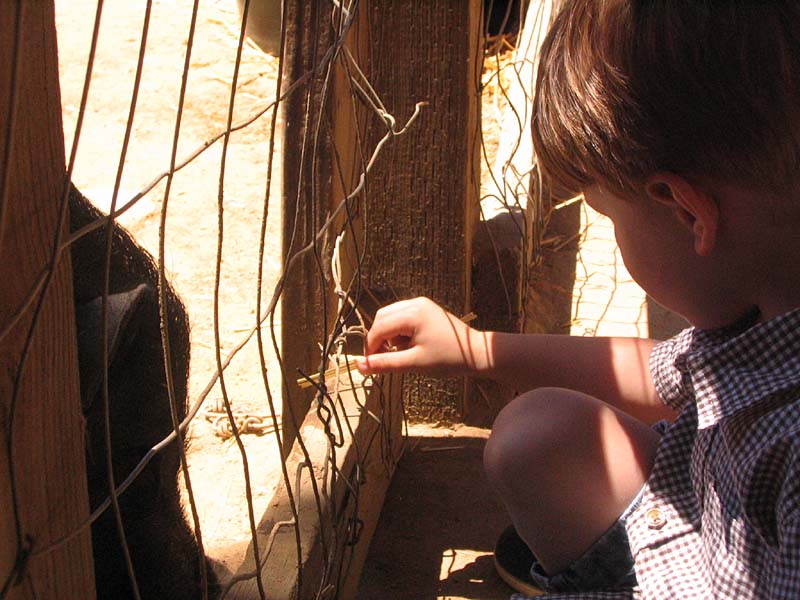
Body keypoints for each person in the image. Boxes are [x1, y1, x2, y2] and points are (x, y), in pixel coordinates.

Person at [355, 1, 800, 598]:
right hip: (705, 522)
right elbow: (660, 370)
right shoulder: (768, 312)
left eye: (609, 214)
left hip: (718, 574)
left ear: (686, 210)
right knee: (538, 432)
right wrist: (478, 349)